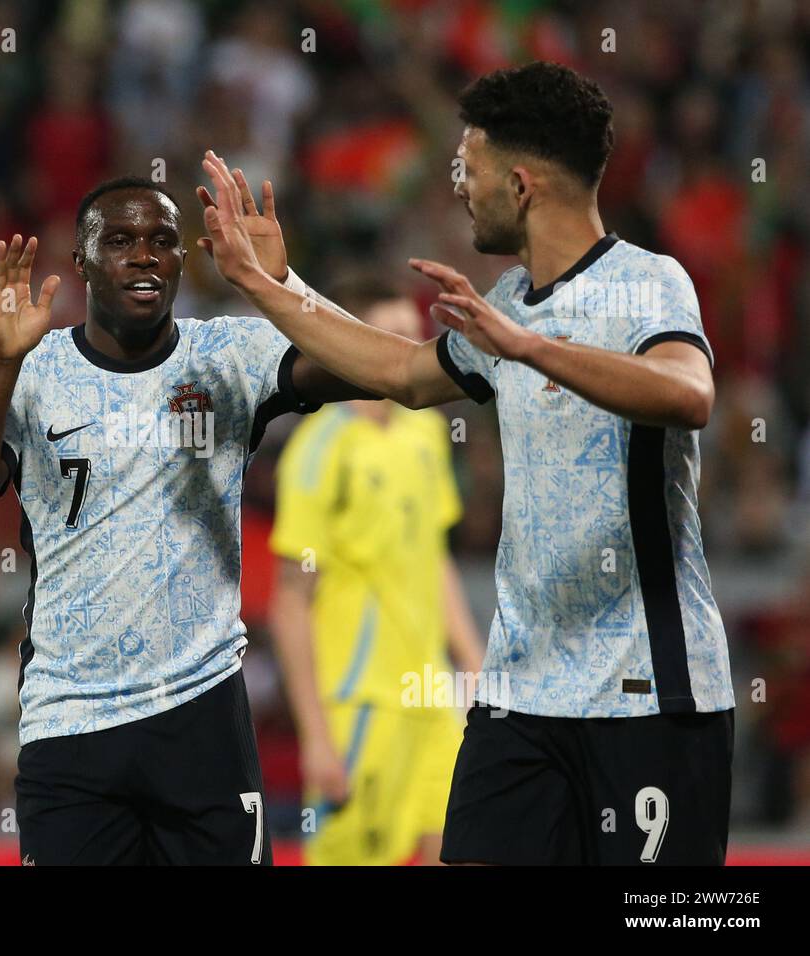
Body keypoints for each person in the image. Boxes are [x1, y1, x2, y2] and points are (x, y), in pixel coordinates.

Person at [200, 60, 735, 865]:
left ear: (520, 185)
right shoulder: (509, 302)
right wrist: (274, 286)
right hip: (519, 694)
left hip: (651, 691)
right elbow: (399, 372)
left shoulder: (646, 284)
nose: (457, 186)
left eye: (467, 168)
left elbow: (688, 394)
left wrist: (528, 348)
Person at [0, 174, 368, 865]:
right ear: (80, 263)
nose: (144, 255)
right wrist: (0, 363)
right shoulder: (32, 368)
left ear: (181, 261)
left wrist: (284, 283)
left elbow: (372, 372)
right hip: (71, 719)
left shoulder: (228, 355)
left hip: (201, 711)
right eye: (119, 241)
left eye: (162, 241)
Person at [269, 276, 484, 866]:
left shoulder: (426, 433)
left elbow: (431, 558)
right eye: (390, 338)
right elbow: (289, 602)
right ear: (353, 343)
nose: (407, 354)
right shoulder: (319, 451)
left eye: (415, 339)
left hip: (432, 697)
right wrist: (314, 736)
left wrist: (475, 669)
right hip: (359, 703)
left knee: (467, 848)